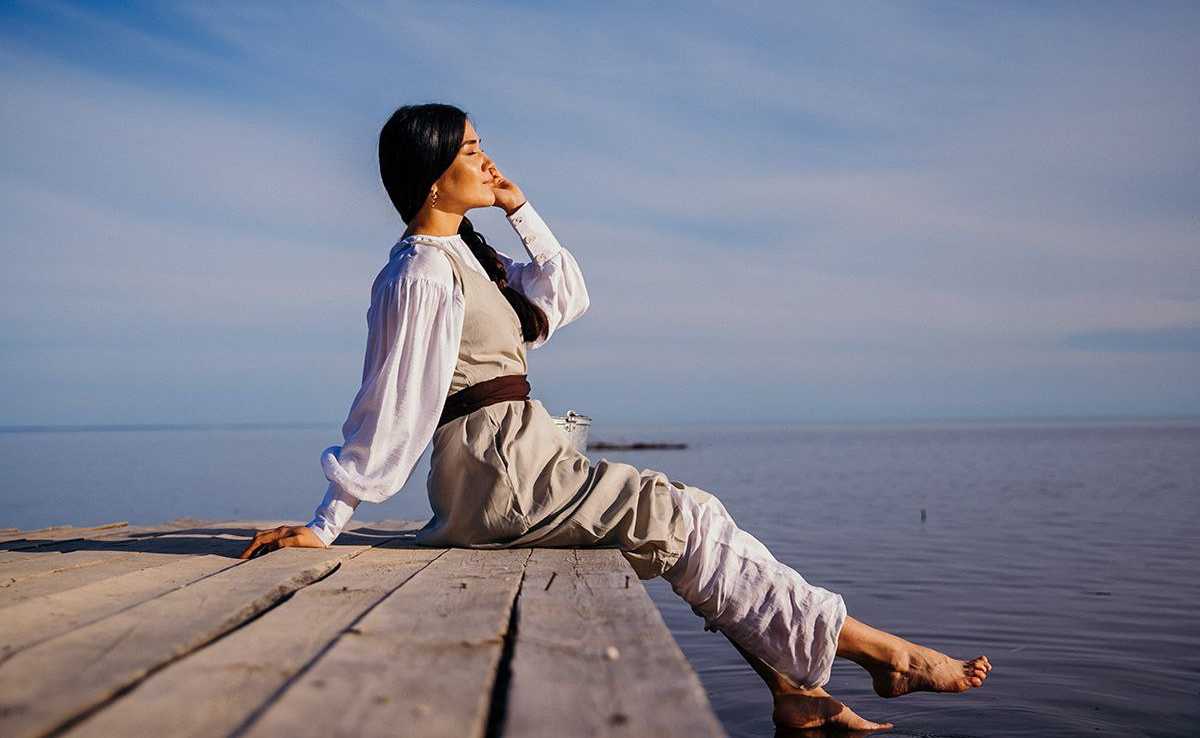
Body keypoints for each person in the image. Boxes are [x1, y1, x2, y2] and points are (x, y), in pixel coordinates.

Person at [241, 103, 990, 731]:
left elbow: (566, 296)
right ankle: (884, 654)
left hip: (520, 461)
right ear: (434, 174)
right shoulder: (420, 272)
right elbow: (393, 401)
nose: (488, 160)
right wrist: (328, 520)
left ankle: (793, 692)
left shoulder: (462, 258)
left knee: (690, 516)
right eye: (471, 150)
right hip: (500, 476)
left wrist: (520, 210)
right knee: (678, 516)